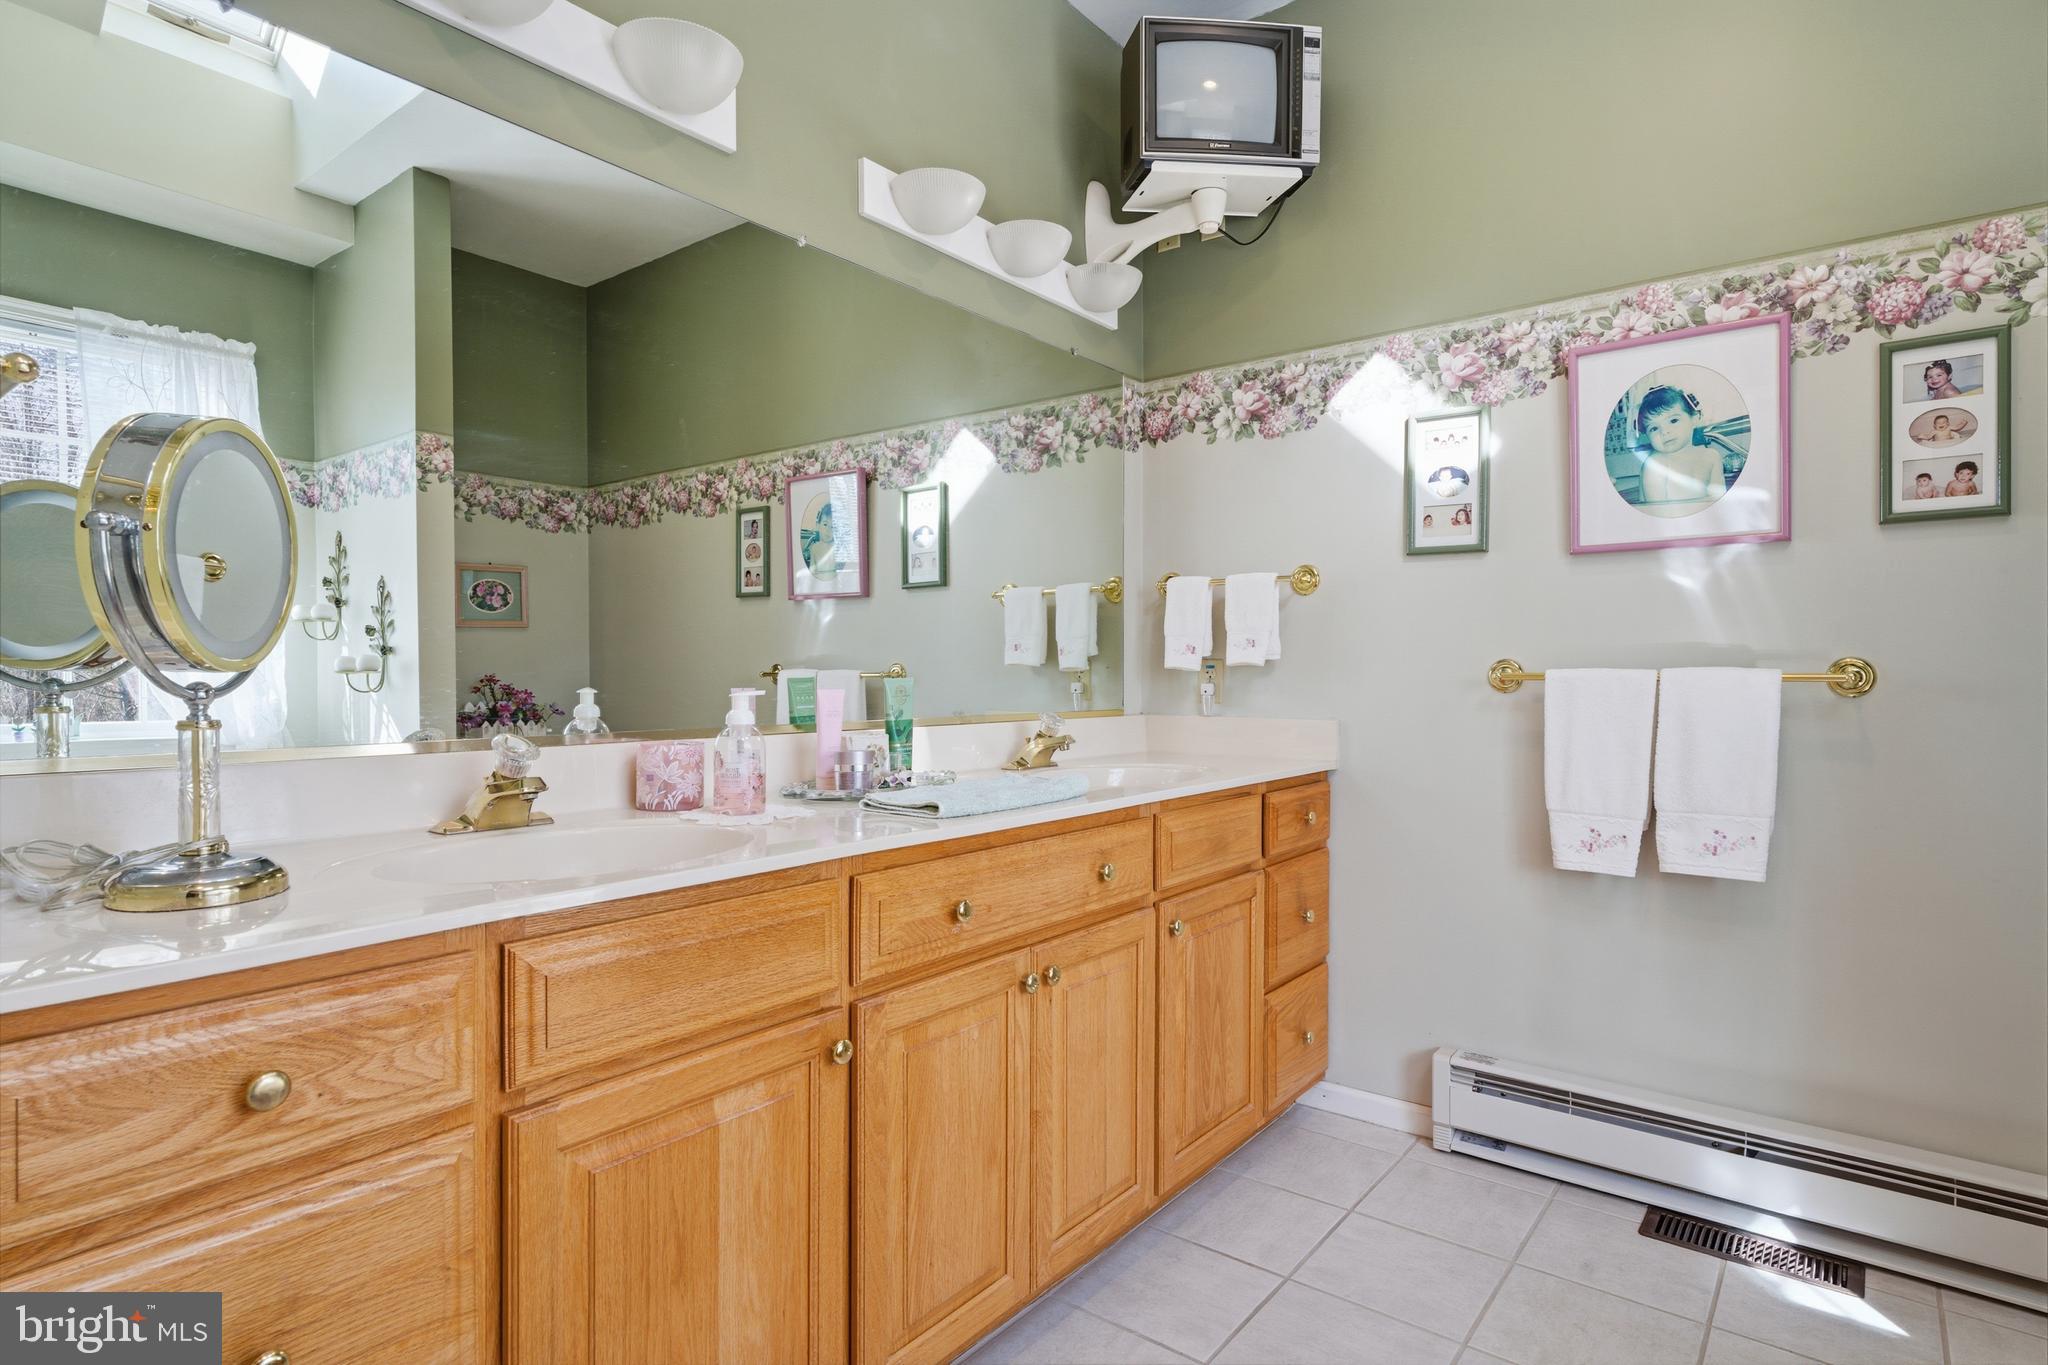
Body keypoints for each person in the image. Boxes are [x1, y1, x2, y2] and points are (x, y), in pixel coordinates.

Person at [1635, 385, 1724, 514]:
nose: (1664, 431)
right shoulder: (1655, 464)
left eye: (1673, 420)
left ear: (1695, 418)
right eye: (1654, 428)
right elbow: (1658, 514)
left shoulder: (1711, 457)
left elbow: (1719, 501)